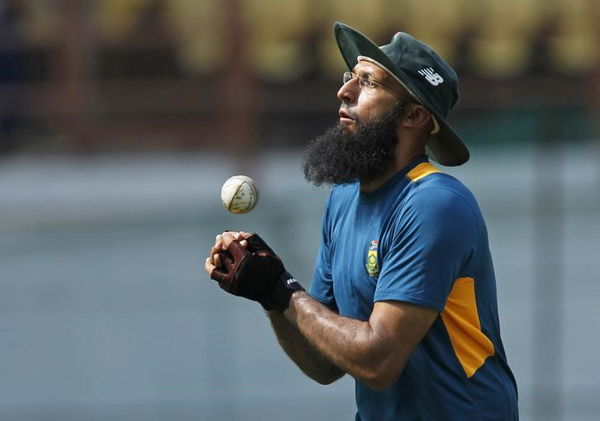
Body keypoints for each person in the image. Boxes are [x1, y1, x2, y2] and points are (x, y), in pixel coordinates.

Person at [205, 22, 518, 420]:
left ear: (414, 115)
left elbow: (377, 362)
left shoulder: (435, 203)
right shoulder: (343, 201)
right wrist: (268, 291)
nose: (344, 91)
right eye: (349, 76)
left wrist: (284, 291)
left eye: (367, 82)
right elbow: (326, 364)